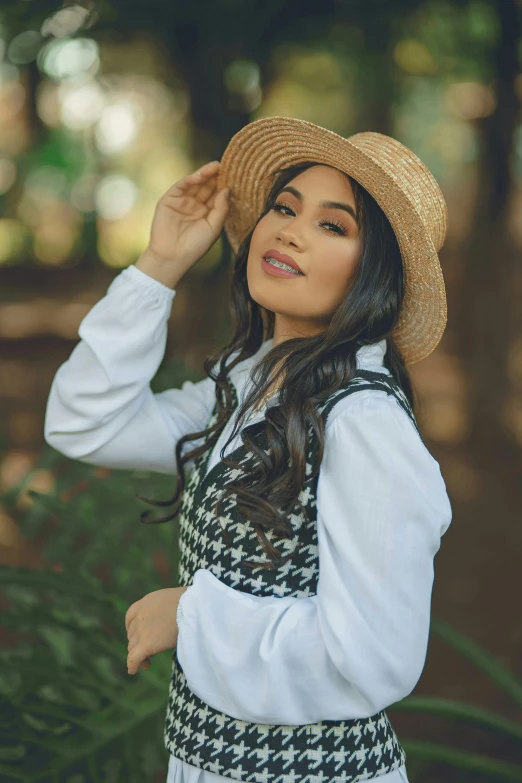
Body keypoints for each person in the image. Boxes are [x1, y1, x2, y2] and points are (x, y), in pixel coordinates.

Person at [44, 116, 453, 783]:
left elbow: (375, 656)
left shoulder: (364, 422)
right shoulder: (250, 385)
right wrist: (163, 264)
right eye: (285, 207)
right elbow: (85, 422)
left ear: (372, 273)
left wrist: (193, 614)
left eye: (333, 224)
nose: (290, 228)